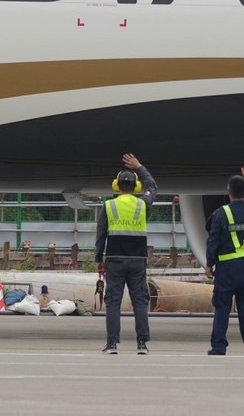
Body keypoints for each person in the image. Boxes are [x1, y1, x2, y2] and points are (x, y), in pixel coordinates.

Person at [95, 152, 158, 355]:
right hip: (138, 260)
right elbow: (153, 187)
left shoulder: (108, 206)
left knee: (113, 301)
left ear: (117, 185)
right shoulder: (143, 204)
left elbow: (101, 234)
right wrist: (140, 166)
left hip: (114, 259)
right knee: (140, 301)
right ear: (136, 186)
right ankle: (142, 344)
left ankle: (112, 344)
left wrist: (98, 259)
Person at [205, 159, 244, 355]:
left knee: (222, 308)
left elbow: (213, 239)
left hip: (226, 269)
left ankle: (219, 346)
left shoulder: (221, 214)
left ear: (228, 191)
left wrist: (209, 263)